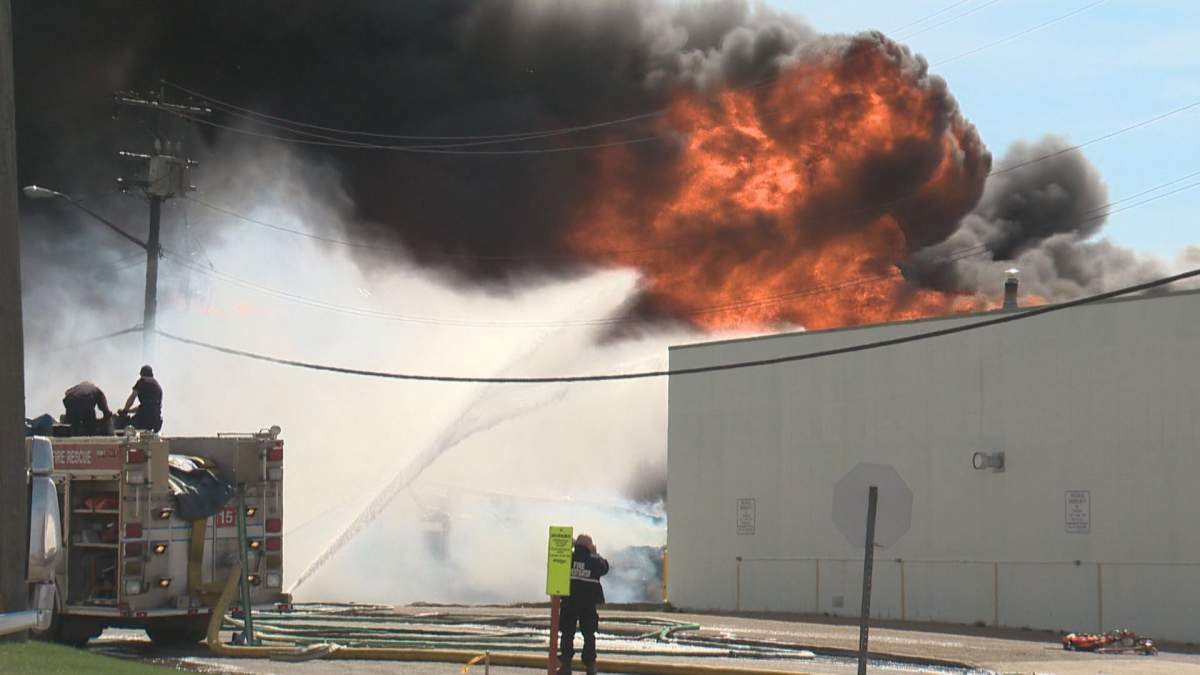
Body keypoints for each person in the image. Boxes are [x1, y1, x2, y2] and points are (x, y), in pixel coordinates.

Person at [559, 533, 609, 675]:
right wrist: (595, 552)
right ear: (589, 546)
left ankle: (566, 665)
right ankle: (590, 666)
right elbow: (605, 568)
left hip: (569, 602)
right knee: (589, 635)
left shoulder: (568, 558)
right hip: (588, 604)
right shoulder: (595, 560)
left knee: (567, 634)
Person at [118, 365, 163, 432]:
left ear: (142, 374)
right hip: (156, 422)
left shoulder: (142, 382)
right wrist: (128, 411)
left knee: (122, 427)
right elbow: (148, 407)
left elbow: (132, 398)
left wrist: (124, 411)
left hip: (143, 420)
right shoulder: (158, 386)